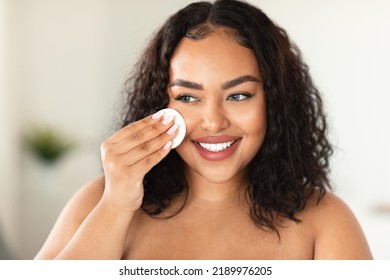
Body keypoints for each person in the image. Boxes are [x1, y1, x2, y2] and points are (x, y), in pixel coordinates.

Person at [34, 0, 372, 259]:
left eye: (238, 95)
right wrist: (116, 206)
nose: (212, 121)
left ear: (275, 103)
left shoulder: (325, 221)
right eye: (187, 96)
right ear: (158, 106)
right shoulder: (98, 202)